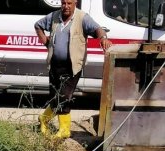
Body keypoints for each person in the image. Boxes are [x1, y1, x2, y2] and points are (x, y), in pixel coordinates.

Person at [34, 0, 110, 139]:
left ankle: (64, 130)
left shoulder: (82, 18)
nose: (66, 6)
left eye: (69, 3)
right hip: (54, 65)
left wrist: (103, 38)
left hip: (72, 67)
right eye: (63, 3)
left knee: (64, 96)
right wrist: (47, 42)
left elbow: (97, 29)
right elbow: (38, 25)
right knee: (55, 96)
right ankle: (44, 119)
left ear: (75, 3)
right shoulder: (54, 16)